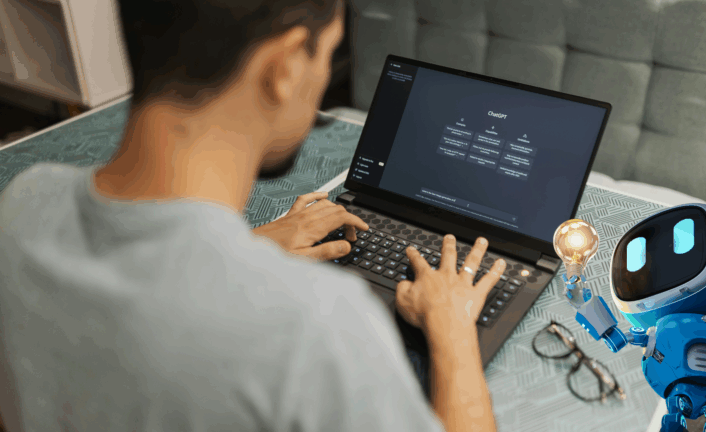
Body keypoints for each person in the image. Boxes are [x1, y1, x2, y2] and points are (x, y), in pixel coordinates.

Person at [0, 1, 506, 431]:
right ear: (284, 67)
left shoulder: (21, 204)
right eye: (328, 52)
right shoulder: (315, 326)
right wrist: (453, 330)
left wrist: (247, 250)